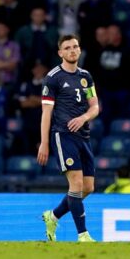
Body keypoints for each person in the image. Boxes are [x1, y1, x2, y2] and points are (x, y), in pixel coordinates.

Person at [38, 34, 100, 243]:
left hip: (83, 136)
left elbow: (95, 107)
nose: (72, 50)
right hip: (62, 135)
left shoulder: (86, 77)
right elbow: (46, 113)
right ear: (60, 53)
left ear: (79, 50)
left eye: (75, 46)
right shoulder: (53, 77)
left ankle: (53, 216)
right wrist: (44, 143)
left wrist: (83, 117)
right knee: (76, 183)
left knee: (88, 188)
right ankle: (83, 235)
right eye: (67, 48)